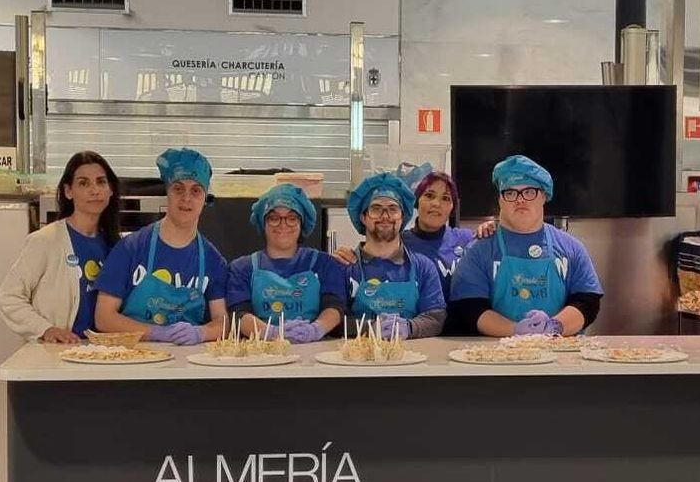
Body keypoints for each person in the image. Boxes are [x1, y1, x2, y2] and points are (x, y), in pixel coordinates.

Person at [448, 155, 603, 337]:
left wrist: (555, 327)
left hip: (559, 351)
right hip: (497, 352)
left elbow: (587, 302)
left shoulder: (572, 248)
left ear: (544, 196)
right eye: (510, 193)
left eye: (529, 192)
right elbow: (470, 307)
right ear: (500, 200)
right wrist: (516, 331)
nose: (520, 200)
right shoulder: (478, 251)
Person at [93, 148, 230, 345]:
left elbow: (222, 322)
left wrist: (200, 333)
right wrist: (155, 332)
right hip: (133, 356)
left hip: (187, 359)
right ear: (167, 192)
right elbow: (103, 317)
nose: (186, 198)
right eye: (178, 189)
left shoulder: (213, 261)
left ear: (205, 198)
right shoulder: (130, 249)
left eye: (196, 190)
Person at [0, 151, 120, 344]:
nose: (95, 190)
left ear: (111, 189)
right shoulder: (45, 241)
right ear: (68, 191)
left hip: (104, 351)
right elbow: (9, 296)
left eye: (101, 182)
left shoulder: (116, 245)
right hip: (58, 351)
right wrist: (45, 329)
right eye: (84, 183)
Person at [226, 183, 347, 343]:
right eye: (274, 218)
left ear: (302, 223)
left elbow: (335, 307)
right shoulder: (242, 268)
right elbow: (239, 314)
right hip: (262, 349)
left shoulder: (325, 264)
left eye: (292, 218)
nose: (283, 225)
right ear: (263, 223)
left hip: (313, 349)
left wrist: (316, 329)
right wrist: (271, 333)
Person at [343, 172, 446, 339]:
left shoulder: (423, 267)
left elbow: (435, 318)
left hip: (412, 354)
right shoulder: (345, 266)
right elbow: (334, 319)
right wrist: (371, 328)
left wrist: (408, 328)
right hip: (360, 353)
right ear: (363, 217)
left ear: (403, 217)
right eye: (376, 209)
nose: (385, 216)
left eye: (393, 209)